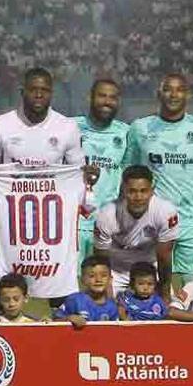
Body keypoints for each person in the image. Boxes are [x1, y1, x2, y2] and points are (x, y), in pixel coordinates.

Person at [124, 73, 193, 285]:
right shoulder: (140, 128)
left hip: (191, 220)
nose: (173, 94)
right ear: (158, 93)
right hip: (151, 220)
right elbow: (128, 170)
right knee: (147, 286)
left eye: (179, 89)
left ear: (188, 95)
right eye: (168, 89)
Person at [0, 162, 91, 313]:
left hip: (28, 266)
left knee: (62, 314)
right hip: (52, 268)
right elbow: (88, 207)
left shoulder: (73, 180)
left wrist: (86, 179)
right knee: (3, 312)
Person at [92, 165, 179, 297]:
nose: (138, 197)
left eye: (143, 191)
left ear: (152, 191)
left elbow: (164, 257)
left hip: (150, 269)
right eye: (132, 191)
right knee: (106, 313)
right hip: (116, 271)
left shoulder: (166, 212)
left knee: (165, 312)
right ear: (123, 190)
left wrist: (165, 294)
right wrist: (107, 293)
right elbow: (101, 260)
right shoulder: (107, 215)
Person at [0, 67, 85, 169]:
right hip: (8, 186)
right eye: (33, 90)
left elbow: (78, 172)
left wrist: (88, 174)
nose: (39, 95)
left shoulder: (68, 127)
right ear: (22, 92)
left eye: (44, 90)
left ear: (51, 94)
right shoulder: (0, 125)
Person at [76, 78, 131, 260]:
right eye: (101, 96)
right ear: (89, 98)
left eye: (112, 97)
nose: (107, 101)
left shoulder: (126, 133)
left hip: (108, 224)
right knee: (69, 283)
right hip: (72, 222)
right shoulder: (70, 127)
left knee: (104, 282)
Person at [53, 256, 120, 327]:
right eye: (92, 276)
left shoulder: (113, 306)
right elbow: (55, 320)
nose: (98, 280)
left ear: (110, 279)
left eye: (103, 275)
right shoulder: (74, 300)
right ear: (82, 279)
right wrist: (68, 319)